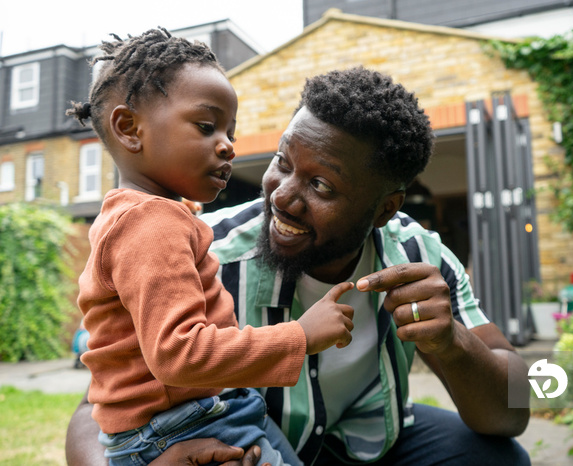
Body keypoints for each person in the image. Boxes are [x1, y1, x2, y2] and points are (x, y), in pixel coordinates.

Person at [66, 66, 531, 465]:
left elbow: (514, 408)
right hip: (251, 441)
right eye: (282, 162)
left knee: (496, 457)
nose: (282, 196)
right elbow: (94, 409)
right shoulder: (204, 253)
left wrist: (452, 342)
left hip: (377, 439)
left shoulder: (417, 257)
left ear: (385, 210)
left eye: (322, 186)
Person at [67, 28, 358, 466]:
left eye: (230, 132)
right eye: (206, 126)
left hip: (195, 416)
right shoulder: (152, 222)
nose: (227, 146)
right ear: (129, 128)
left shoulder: (143, 217)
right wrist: (301, 336)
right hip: (186, 425)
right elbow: (179, 353)